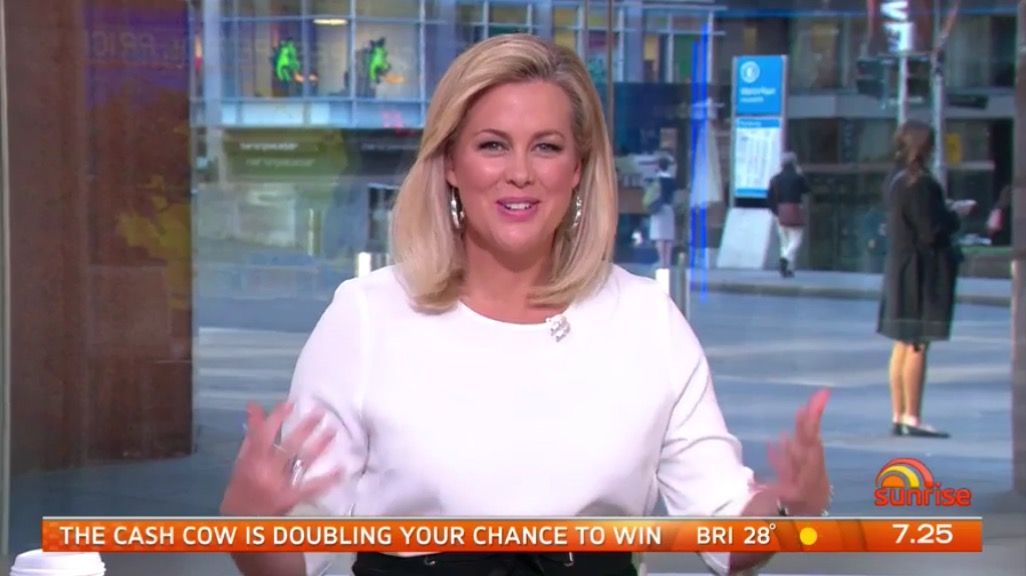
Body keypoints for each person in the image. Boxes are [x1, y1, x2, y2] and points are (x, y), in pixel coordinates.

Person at [220, 34, 833, 576]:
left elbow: (727, 531)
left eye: (546, 147)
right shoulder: (367, 318)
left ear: (578, 168)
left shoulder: (646, 322)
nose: (520, 173)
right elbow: (295, 554)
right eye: (493, 145)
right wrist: (248, 527)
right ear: (451, 164)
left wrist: (790, 509)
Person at [877, 120, 973, 439]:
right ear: (925, 146)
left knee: (903, 342)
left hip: (900, 267)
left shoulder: (894, 179)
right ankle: (913, 417)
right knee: (918, 342)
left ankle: (898, 414)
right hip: (921, 271)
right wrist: (955, 214)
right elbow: (931, 230)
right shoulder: (921, 182)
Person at [766, 152, 810, 278]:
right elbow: (807, 189)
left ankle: (787, 269)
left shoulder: (775, 179)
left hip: (779, 213)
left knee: (784, 242)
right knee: (796, 240)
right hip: (794, 210)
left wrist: (776, 212)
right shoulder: (798, 177)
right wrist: (801, 174)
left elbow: (769, 198)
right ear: (794, 163)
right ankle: (785, 260)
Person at [647, 156, 677, 268]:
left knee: (659, 237)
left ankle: (661, 261)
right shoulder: (672, 180)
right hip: (669, 208)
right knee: (668, 237)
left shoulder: (656, 180)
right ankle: (667, 262)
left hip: (658, 209)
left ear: (658, 166)